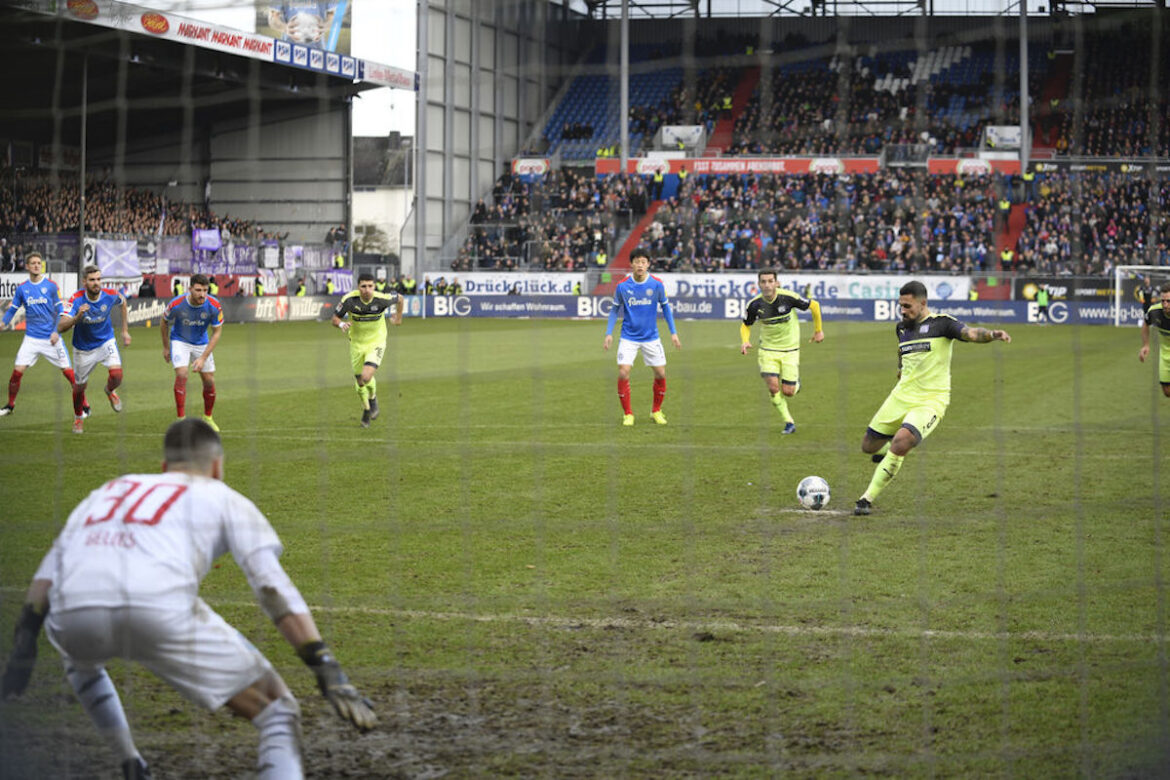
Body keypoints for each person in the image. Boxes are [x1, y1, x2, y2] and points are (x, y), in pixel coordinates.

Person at [0, 418, 375, 780]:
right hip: (158, 609)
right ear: (217, 466)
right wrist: (323, 664)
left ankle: (130, 762)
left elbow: (48, 573)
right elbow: (271, 587)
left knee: (80, 660)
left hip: (72, 612)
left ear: (164, 466)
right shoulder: (222, 495)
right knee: (278, 710)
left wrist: (24, 643)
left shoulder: (110, 489)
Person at [854, 280, 1011, 516]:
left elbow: (970, 333)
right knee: (868, 446)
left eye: (907, 306)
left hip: (931, 400)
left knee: (901, 442)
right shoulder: (901, 328)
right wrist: (900, 371)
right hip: (901, 396)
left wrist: (992, 334)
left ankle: (866, 499)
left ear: (923, 303)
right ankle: (886, 451)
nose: (903, 310)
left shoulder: (943, 324)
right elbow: (903, 354)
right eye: (901, 306)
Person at [739, 269, 824, 435]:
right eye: (763, 281)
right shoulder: (754, 305)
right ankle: (788, 422)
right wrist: (745, 341)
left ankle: (795, 384)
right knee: (772, 386)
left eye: (770, 281)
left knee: (788, 392)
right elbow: (746, 325)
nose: (767, 285)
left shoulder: (788, 297)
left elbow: (814, 306)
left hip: (790, 350)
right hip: (767, 350)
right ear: (759, 284)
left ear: (776, 283)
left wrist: (818, 330)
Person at [603, 247, 680, 426]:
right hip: (628, 337)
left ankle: (656, 411)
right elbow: (614, 310)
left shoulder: (657, 284)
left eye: (643, 262)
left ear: (648, 264)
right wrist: (609, 333)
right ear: (631, 264)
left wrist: (673, 333)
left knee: (661, 373)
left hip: (651, 337)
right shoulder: (622, 286)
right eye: (637, 261)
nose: (640, 265)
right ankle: (628, 414)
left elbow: (666, 308)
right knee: (623, 372)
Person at [0, 252, 81, 419]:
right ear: (28, 266)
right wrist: (2, 323)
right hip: (31, 339)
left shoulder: (51, 286)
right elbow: (13, 309)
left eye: (39, 263)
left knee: (68, 373)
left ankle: (84, 406)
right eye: (33, 263)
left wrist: (55, 331)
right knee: (17, 372)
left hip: (51, 338)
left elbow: (60, 311)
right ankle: (10, 405)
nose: (37, 265)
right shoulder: (22, 288)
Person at [58, 266, 131, 434]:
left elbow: (123, 302)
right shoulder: (76, 300)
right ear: (84, 282)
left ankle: (109, 390)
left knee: (117, 375)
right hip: (83, 349)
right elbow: (61, 327)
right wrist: (77, 318)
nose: (96, 283)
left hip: (106, 341)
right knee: (79, 388)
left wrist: (125, 330)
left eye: (98, 279)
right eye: (92, 280)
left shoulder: (110, 295)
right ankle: (78, 417)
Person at [331, 272, 403, 428]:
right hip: (356, 344)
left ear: (374, 286)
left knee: (366, 376)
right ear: (358, 287)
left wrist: (398, 317)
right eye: (363, 286)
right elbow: (335, 318)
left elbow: (400, 298)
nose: (367, 289)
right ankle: (366, 409)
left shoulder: (382, 299)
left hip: (376, 342)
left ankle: (373, 398)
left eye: (370, 286)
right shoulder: (349, 300)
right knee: (359, 381)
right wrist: (341, 324)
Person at [162, 273, 223, 431]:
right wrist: (166, 347)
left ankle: (208, 417)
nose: (202, 294)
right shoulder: (177, 304)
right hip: (180, 340)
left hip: (201, 343)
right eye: (198, 290)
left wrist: (203, 358)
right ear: (190, 289)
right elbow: (164, 322)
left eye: (205, 290)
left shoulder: (214, 306)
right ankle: (181, 420)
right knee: (182, 374)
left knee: (209, 382)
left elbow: (216, 333)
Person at [1138, 286, 1170, 398]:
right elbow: (1146, 324)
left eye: (1168, 301)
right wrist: (1145, 345)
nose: (1165, 304)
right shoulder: (1155, 311)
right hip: (1165, 355)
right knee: (1167, 391)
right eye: (1163, 301)